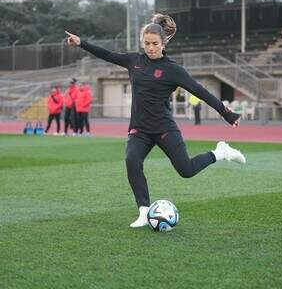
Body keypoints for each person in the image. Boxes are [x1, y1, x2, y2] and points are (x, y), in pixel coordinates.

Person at [65, 13, 246, 228]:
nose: (150, 48)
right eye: (147, 43)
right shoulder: (134, 61)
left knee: (186, 170)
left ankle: (220, 152)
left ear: (163, 43)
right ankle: (143, 211)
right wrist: (81, 43)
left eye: (155, 44)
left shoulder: (174, 70)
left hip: (164, 128)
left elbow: (201, 91)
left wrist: (228, 114)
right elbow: (107, 54)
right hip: (139, 129)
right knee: (132, 160)